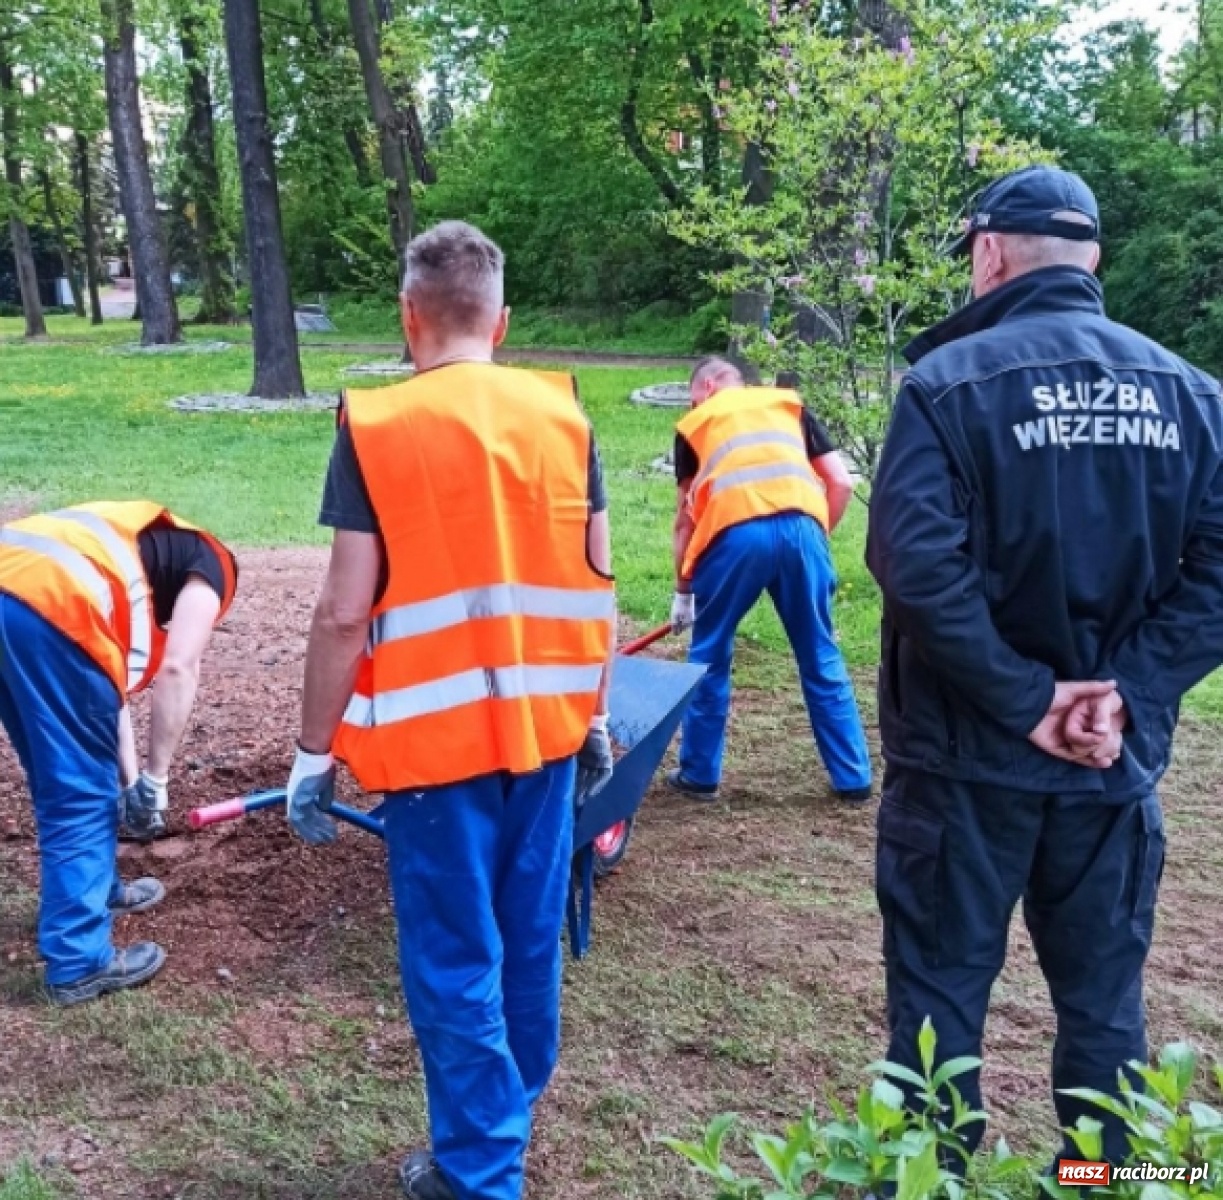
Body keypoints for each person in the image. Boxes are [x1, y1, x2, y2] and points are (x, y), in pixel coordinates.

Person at [866, 165, 1223, 1165]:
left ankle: (931, 1185)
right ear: (1093, 259)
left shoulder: (943, 386)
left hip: (963, 769)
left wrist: (1028, 701)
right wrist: (1126, 691)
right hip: (1105, 766)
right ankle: (1108, 1180)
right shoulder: (1195, 397)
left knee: (936, 1014)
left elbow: (908, 564)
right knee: (1105, 1013)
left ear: (986, 254)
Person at [285, 220, 616, 1200]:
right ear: (501, 320)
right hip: (545, 739)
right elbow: (596, 585)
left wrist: (312, 754)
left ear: (406, 316)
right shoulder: (563, 418)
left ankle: (478, 1171)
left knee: (452, 958)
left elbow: (345, 609)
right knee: (524, 942)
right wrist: (590, 713)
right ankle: (500, 1126)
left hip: (434, 753)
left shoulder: (378, 428)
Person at [0, 501, 239, 1005]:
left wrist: (131, 782)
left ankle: (98, 891)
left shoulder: (137, 553)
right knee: (79, 793)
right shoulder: (212, 568)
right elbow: (178, 668)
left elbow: (111, 695)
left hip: (15, 593)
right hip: (51, 608)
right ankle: (78, 962)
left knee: (60, 772)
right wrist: (156, 779)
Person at [665, 356, 872, 803]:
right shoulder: (790, 406)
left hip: (733, 537)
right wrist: (814, 539)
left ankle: (699, 775)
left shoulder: (697, 422)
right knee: (820, 652)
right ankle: (853, 777)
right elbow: (839, 482)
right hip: (803, 531)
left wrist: (683, 592)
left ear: (707, 386)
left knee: (709, 654)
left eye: (693, 394)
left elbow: (685, 521)